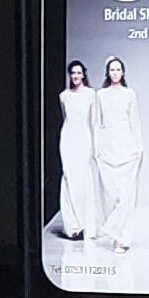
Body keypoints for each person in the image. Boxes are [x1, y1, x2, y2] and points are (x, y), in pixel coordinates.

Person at [91, 57, 141, 254]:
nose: (115, 72)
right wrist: (96, 147)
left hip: (128, 146)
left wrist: (140, 147)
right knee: (112, 194)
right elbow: (96, 122)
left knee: (128, 195)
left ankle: (121, 238)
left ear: (123, 72)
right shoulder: (100, 94)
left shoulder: (130, 94)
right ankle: (114, 231)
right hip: (107, 147)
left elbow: (135, 121)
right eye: (112, 69)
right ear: (107, 72)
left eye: (118, 69)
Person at [58, 60, 97, 240]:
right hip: (68, 138)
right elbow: (66, 119)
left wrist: (94, 146)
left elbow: (94, 122)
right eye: (72, 73)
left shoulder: (91, 94)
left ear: (84, 74)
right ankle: (72, 226)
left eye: (78, 73)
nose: (75, 76)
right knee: (68, 178)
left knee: (82, 180)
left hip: (83, 138)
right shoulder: (64, 96)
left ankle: (84, 224)